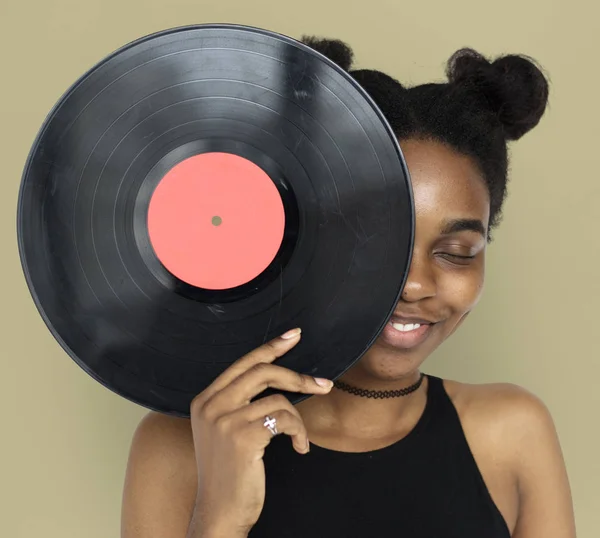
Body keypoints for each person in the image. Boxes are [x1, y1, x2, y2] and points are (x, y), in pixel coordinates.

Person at [121, 36, 576, 538]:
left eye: (456, 253)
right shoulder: (182, 445)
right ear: (309, 238)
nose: (416, 284)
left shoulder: (513, 432)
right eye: (378, 245)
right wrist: (219, 519)